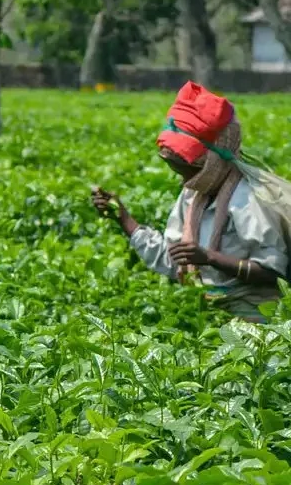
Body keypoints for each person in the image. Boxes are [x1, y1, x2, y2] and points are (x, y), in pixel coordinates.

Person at [91, 81, 291, 323]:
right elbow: (176, 260)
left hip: (255, 321)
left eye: (187, 169)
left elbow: (273, 272)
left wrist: (210, 258)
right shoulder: (194, 195)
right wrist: (123, 219)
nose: (184, 179)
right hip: (206, 315)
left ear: (211, 161)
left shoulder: (248, 200)